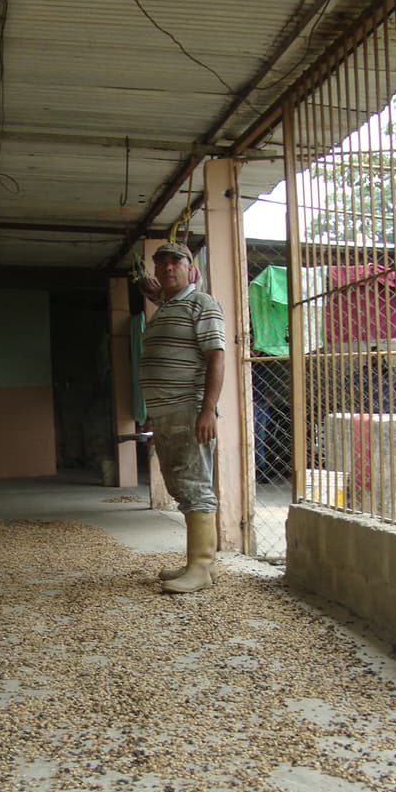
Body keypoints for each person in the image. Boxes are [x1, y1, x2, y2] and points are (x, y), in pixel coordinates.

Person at [138, 241, 226, 593]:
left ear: (193, 269)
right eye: (160, 264)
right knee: (179, 486)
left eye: (176, 262)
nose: (167, 268)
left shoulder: (202, 303)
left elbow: (216, 356)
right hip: (165, 412)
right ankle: (198, 563)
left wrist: (207, 410)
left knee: (195, 486)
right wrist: (152, 412)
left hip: (188, 409)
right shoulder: (167, 306)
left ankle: (202, 567)